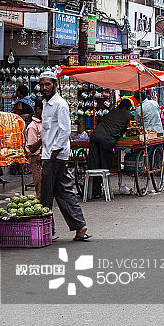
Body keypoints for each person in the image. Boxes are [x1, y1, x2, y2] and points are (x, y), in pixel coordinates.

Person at [38, 71, 90, 241]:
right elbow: (48, 131)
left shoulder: (60, 104)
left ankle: (48, 231)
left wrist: (53, 153)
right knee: (63, 191)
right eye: (42, 85)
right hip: (50, 154)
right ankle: (80, 227)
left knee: (46, 194)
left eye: (47, 84)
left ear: (55, 84)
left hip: (55, 156)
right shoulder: (46, 104)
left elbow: (64, 130)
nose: (44, 87)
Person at [86, 98, 134, 197]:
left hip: (95, 135)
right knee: (104, 163)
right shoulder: (128, 115)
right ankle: (99, 189)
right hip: (106, 139)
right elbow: (124, 129)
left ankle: (94, 191)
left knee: (94, 162)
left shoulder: (113, 111)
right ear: (128, 107)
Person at [24, 97, 44, 196]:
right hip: (37, 159)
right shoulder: (32, 126)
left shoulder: (43, 123)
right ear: (38, 109)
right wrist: (43, 138)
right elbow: (32, 148)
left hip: (44, 158)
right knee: (40, 186)